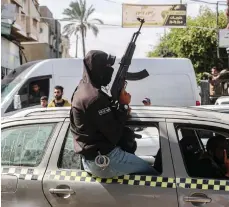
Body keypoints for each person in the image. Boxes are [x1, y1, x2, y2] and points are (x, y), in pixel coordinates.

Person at [70, 50, 158, 178]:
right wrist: (124, 105)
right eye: (106, 67)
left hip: (94, 157)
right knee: (157, 176)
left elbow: (101, 121)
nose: (110, 70)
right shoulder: (94, 98)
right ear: (97, 68)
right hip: (105, 159)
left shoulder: (82, 89)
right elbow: (115, 133)